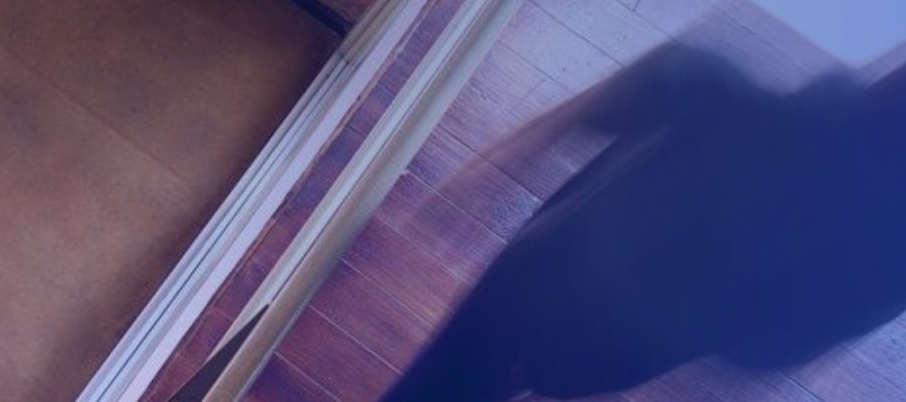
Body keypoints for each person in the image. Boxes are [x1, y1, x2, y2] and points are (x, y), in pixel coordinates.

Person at [379, 45, 906, 401]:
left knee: (452, 375)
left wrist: (525, 148)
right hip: (598, 347)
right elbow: (770, 348)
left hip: (539, 277)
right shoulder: (881, 264)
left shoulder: (766, 113)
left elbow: (666, 79)